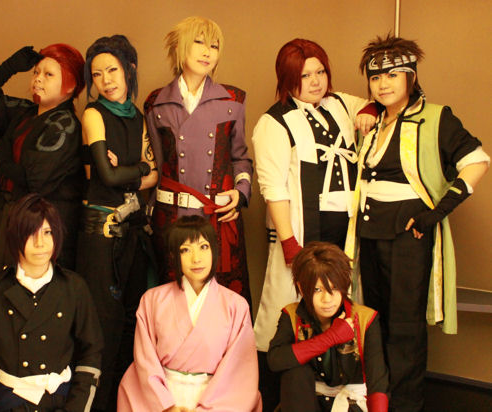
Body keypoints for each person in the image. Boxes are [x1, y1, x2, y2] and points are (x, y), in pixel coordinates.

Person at [344, 35, 489, 412]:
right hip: (369, 232)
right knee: (373, 319)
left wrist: (437, 212)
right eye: (376, 77)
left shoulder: (437, 117)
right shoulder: (374, 121)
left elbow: (476, 160)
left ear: (410, 76)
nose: (383, 84)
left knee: (405, 326)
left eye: (393, 75)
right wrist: (368, 109)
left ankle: (406, 405)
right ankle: (378, 398)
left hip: (409, 232)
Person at [251, 38, 376, 409]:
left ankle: (341, 392)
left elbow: (375, 102)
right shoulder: (273, 122)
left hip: (344, 231)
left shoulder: (340, 103)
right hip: (301, 232)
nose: (316, 81)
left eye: (320, 72)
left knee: (341, 302)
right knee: (288, 308)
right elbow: (273, 187)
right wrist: (289, 242)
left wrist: (370, 108)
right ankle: (279, 397)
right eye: (305, 76)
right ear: (287, 78)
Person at [0, 193, 103, 411]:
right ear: (15, 237)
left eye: (47, 232)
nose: (40, 243)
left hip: (63, 401)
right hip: (9, 403)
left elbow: (92, 350)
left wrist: (77, 406)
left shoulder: (74, 287)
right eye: (31, 233)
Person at [144, 16, 254, 304]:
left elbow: (241, 158)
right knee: (173, 299)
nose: (208, 52)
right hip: (171, 216)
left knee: (222, 301)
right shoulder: (156, 103)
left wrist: (240, 193)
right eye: (199, 43)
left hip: (217, 216)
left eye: (214, 46)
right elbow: (157, 165)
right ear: (179, 47)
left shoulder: (233, 100)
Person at [75, 35, 158, 412]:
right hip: (101, 233)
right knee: (102, 326)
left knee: (131, 321)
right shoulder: (93, 114)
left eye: (112, 70)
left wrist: (131, 170)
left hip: (134, 231)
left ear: (129, 70)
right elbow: (106, 177)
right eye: (97, 74)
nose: (106, 80)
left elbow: (154, 176)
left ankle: (124, 404)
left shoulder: (138, 117)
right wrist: (137, 168)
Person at [118, 216, 262, 411]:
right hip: (160, 399)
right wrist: (167, 406)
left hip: (217, 401)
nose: (196, 258)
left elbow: (240, 371)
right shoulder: (152, 300)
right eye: (185, 250)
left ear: (215, 250)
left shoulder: (236, 306)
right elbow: (145, 362)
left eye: (204, 247)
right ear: (173, 256)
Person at [0, 44, 86, 276]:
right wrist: (10, 66)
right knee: (1, 283)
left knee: (28, 287)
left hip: (40, 226)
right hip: (9, 212)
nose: (38, 79)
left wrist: (1, 157)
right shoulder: (25, 112)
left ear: (71, 85)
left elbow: (34, 181)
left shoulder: (65, 125)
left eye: (48, 74)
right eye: (36, 72)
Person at [268, 242, 388, 412]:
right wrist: (331, 337)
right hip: (307, 404)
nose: (327, 299)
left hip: (350, 404)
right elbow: (275, 360)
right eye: (317, 290)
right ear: (302, 287)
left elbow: (378, 382)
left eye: (334, 288)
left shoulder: (365, 318)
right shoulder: (292, 315)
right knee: (295, 373)